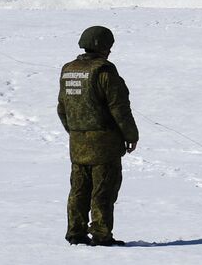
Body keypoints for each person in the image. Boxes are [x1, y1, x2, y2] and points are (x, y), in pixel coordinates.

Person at [56, 25, 139, 247]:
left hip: (77, 143)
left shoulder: (68, 69)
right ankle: (101, 235)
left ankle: (76, 232)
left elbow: (62, 108)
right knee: (103, 190)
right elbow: (120, 108)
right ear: (104, 47)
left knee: (79, 189)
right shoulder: (104, 71)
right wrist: (131, 135)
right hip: (104, 145)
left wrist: (76, 132)